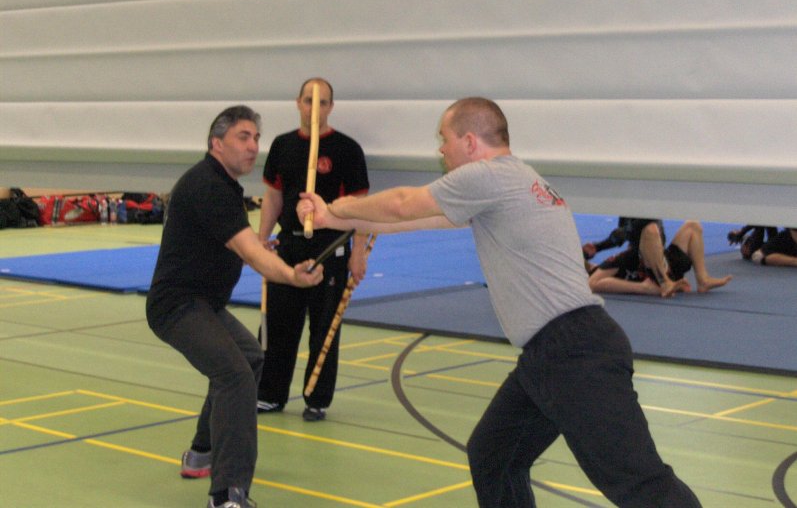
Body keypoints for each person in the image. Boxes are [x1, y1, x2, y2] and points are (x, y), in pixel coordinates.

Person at [298, 97, 702, 507]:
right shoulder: (511, 179)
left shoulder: (487, 176)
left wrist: (336, 206)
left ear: (470, 142)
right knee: (494, 457)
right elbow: (414, 219)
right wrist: (333, 217)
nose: (442, 150)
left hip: (572, 351)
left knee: (638, 483)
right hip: (551, 353)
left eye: (445, 139)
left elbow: (403, 204)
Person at [146, 105, 323, 508]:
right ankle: (227, 494)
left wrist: (256, 249)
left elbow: (231, 245)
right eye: (243, 137)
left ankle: (201, 453)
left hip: (203, 304)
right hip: (177, 306)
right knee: (235, 376)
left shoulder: (224, 186)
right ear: (216, 143)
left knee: (250, 357)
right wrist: (291, 275)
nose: (253, 146)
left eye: (256, 138)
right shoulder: (208, 185)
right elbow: (250, 253)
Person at [256, 77, 370, 422]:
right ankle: (270, 394)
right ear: (298, 103)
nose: (315, 108)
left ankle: (317, 398)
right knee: (278, 324)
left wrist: (358, 253)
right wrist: (261, 240)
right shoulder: (283, 145)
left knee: (324, 329)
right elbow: (273, 197)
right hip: (289, 245)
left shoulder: (347, 149)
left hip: (330, 247)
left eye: (322, 102)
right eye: (309, 100)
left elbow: (361, 207)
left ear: (330, 107)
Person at [588, 218, 732, 297]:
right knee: (650, 229)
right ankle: (665, 283)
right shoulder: (623, 259)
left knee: (693, 225)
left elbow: (621, 234)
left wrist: (598, 247)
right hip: (651, 271)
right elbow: (592, 284)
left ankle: (703, 280)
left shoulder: (625, 255)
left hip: (663, 260)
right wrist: (642, 288)